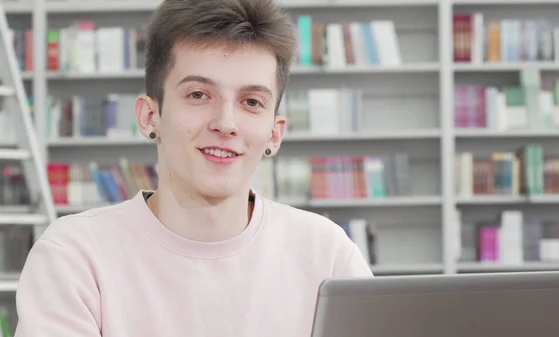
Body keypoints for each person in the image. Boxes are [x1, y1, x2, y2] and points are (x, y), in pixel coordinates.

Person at [13, 0, 373, 336]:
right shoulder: (74, 256)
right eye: (199, 95)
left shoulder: (329, 255)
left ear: (274, 134)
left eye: (251, 101)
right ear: (150, 115)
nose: (225, 123)